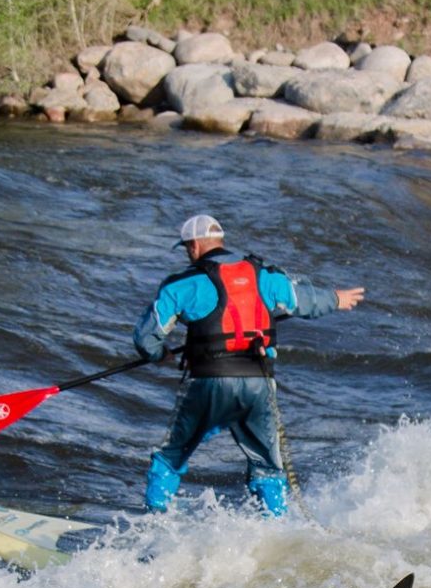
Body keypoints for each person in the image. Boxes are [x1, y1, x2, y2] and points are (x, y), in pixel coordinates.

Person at [132, 214, 362, 515]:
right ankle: (276, 532)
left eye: (188, 247)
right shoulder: (263, 273)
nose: (189, 253)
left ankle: (152, 526)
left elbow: (146, 337)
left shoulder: (182, 283)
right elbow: (303, 300)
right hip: (258, 384)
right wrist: (335, 298)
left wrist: (158, 353)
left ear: (195, 245)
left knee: (170, 457)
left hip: (207, 383)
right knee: (267, 466)